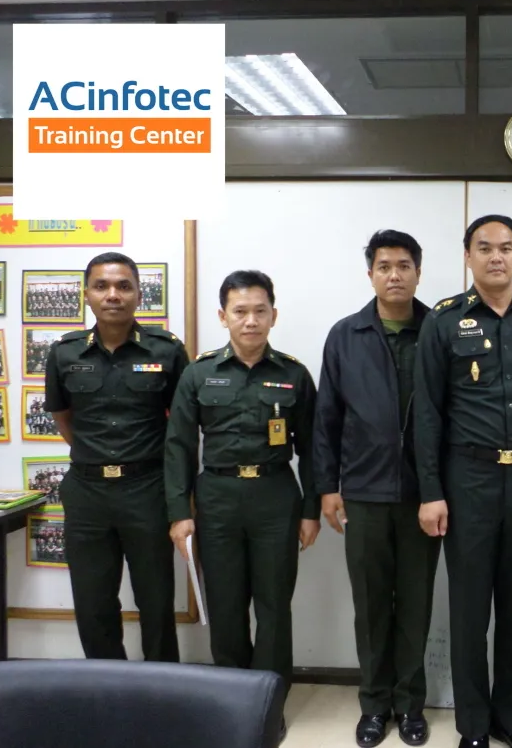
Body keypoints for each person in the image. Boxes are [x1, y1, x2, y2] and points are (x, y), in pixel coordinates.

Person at [414, 214, 512, 748]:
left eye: (506, 247)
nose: (496, 256)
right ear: (468, 257)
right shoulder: (444, 321)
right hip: (468, 480)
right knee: (469, 609)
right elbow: (428, 413)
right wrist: (431, 491)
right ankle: (474, 727)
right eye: (484, 247)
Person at [163, 270, 320, 745]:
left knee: (273, 608)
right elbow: (179, 446)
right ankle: (232, 704)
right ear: (223, 316)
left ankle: (269, 707)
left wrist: (311, 510)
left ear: (273, 315)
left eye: (259, 311)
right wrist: (179, 512)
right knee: (226, 605)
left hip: (275, 496)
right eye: (240, 311)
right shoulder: (198, 372)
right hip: (218, 499)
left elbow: (314, 448)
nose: (250, 321)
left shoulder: (293, 374)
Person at [314, 230, 441, 748]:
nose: (394, 275)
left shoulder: (438, 330)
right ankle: (373, 706)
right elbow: (327, 419)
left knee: (415, 606)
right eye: (384, 266)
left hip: (423, 496)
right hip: (363, 494)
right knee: (369, 607)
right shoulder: (346, 335)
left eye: (404, 266)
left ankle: (410, 706)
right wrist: (327, 487)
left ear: (418, 273)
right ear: (370, 274)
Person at [43, 251, 188, 662]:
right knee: (93, 603)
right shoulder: (65, 353)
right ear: (86, 294)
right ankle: (107, 686)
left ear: (139, 294)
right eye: (102, 286)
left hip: (147, 490)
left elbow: (181, 427)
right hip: (87, 493)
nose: (113, 295)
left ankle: (161, 684)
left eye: (124, 286)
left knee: (156, 600)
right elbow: (63, 418)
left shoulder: (167, 350)